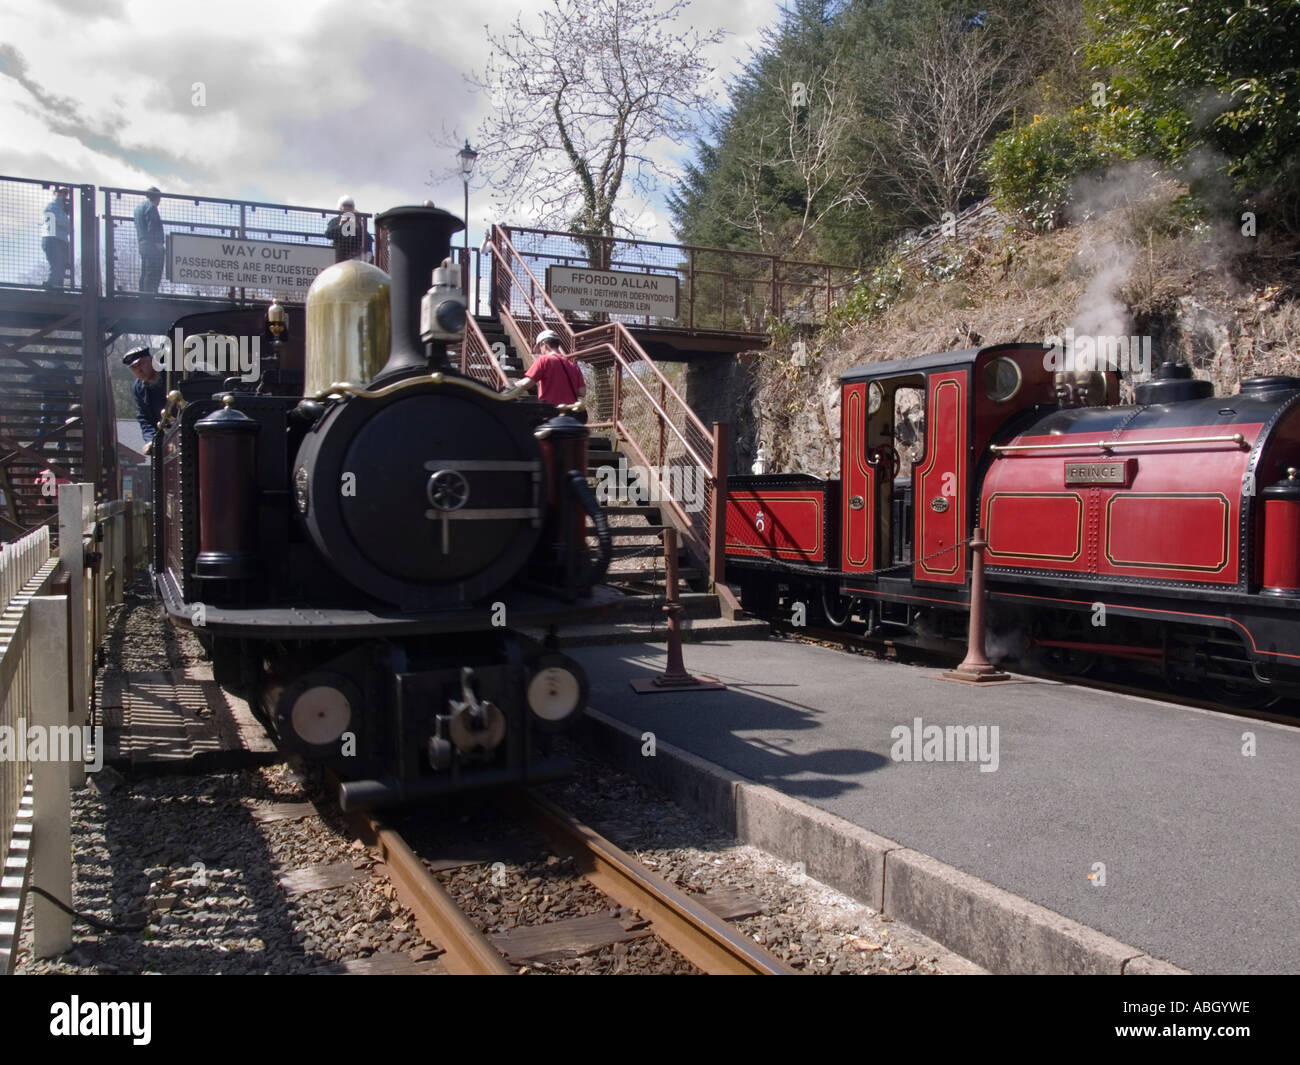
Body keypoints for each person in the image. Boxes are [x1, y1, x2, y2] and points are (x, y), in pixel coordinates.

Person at [503, 329, 587, 419]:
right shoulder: (573, 366)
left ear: (544, 344)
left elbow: (527, 383)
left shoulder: (544, 360)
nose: (540, 351)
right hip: (571, 413)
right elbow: (582, 392)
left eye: (540, 348)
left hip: (551, 412)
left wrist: (510, 386)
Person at [124, 346, 166, 453]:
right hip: (165, 437)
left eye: (141, 364)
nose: (139, 370)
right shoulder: (138, 388)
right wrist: (151, 440)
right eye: (133, 367)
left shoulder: (171, 372)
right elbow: (144, 417)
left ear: (151, 360)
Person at [133, 187, 165, 294]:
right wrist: (159, 245)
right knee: (153, 273)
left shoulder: (138, 208)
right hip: (152, 246)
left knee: (145, 272)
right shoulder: (151, 208)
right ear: (157, 197)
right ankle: (150, 296)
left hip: (142, 244)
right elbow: (153, 228)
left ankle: (142, 294)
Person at [325, 196, 372, 263]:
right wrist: (341, 225)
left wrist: (358, 225)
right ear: (340, 207)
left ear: (353, 208)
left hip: (355, 256)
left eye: (350, 206)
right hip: (339, 255)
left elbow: (369, 240)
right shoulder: (335, 221)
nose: (347, 208)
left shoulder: (357, 222)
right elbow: (328, 234)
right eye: (345, 205)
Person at [41, 188, 71, 289]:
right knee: (56, 264)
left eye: (65, 193)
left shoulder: (60, 208)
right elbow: (63, 222)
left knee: (61, 266)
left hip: (60, 240)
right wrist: (68, 225)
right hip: (52, 239)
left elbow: (65, 224)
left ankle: (57, 287)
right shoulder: (53, 205)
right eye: (61, 192)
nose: (64, 195)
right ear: (56, 193)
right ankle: (51, 286)